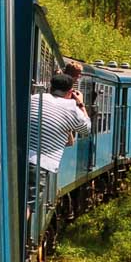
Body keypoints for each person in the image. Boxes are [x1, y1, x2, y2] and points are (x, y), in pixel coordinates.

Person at [28, 74, 93, 204]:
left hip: (16, 155)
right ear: (70, 92)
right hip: (39, 162)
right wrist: (80, 104)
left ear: (51, 87)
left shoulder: (34, 98)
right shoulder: (72, 109)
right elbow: (86, 129)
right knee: (28, 205)